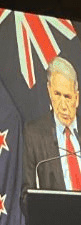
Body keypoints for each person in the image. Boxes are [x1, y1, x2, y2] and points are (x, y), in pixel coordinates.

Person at [22, 56, 81, 205]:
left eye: (67, 97)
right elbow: (26, 197)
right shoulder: (34, 135)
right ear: (49, 91)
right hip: (56, 218)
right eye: (57, 94)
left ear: (77, 98)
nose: (63, 105)